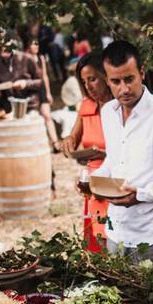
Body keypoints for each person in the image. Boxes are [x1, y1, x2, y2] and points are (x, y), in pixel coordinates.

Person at [83, 40, 153, 268]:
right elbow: (116, 161)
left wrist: (143, 194)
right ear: (107, 80)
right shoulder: (108, 112)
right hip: (116, 230)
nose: (123, 89)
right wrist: (92, 181)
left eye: (129, 79)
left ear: (142, 73)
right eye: (115, 81)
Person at [60, 52, 113, 242]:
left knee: (114, 238)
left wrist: (105, 154)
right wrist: (68, 142)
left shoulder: (120, 106)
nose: (88, 86)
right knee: (97, 241)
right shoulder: (87, 106)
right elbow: (73, 137)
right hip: (92, 182)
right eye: (83, 81)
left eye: (92, 79)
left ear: (106, 77)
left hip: (116, 182)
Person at [27, 38, 61, 150]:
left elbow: (45, 76)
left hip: (41, 89)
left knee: (47, 115)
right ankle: (38, 145)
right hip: (30, 91)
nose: (36, 47)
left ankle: (55, 142)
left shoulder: (41, 58)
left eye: (37, 45)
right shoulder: (25, 58)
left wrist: (48, 92)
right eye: (33, 45)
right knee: (34, 118)